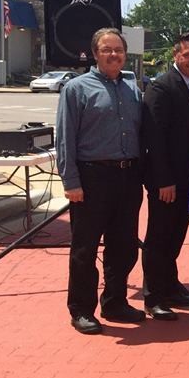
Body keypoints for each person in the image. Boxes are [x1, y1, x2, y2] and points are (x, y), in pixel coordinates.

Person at [56, 28, 145, 334]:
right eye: (106, 50)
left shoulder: (132, 88)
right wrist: (71, 181)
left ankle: (115, 301)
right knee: (85, 248)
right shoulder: (77, 89)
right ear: (95, 53)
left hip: (128, 176)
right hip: (92, 177)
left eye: (118, 50)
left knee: (124, 246)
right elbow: (65, 137)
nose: (113, 55)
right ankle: (81, 309)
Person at [141, 32, 189, 320]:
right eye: (187, 55)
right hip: (167, 181)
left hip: (187, 178)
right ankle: (153, 296)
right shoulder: (161, 87)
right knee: (159, 237)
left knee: (176, 235)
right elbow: (154, 137)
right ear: (175, 55)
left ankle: (170, 286)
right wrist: (163, 180)